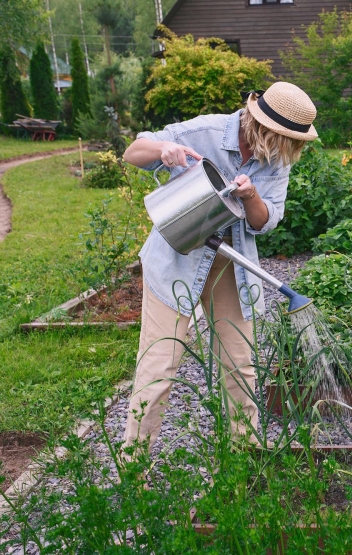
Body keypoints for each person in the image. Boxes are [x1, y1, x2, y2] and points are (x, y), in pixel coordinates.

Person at [121, 82, 318, 455]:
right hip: (176, 258)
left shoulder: (277, 161)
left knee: (239, 367)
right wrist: (164, 148)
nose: (286, 152)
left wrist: (251, 195)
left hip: (231, 262)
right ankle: (134, 470)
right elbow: (134, 151)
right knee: (158, 368)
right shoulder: (205, 131)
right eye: (285, 140)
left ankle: (242, 462)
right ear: (264, 127)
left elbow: (264, 221)